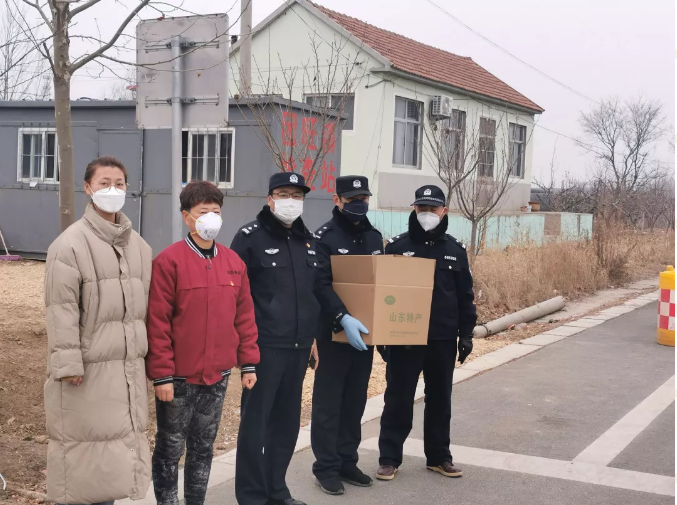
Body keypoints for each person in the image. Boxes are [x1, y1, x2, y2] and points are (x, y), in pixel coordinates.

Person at [44, 156, 152, 505]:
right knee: (86, 457)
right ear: (88, 188)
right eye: (104, 183)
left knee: (116, 456)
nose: (113, 190)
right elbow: (60, 309)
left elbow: (142, 312)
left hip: (127, 369)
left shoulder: (139, 247)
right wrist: (68, 364)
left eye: (119, 183)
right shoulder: (69, 245)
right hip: (87, 372)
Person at [146, 180, 260, 505]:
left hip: (217, 377)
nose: (210, 217)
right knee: (170, 446)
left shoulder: (234, 264)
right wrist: (162, 375)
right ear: (187, 217)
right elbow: (157, 322)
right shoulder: (169, 262)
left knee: (203, 446)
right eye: (202, 211)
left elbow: (245, 318)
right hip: (178, 379)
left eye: (216, 211)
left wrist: (248, 363)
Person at [231, 172, 321, 505]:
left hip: (298, 346)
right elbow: (235, 296)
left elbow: (312, 293)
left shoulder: (308, 240)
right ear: (270, 198)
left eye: (297, 195)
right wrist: (243, 348)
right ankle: (252, 496)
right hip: (263, 347)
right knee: (256, 425)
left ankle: (276, 490)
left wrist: (313, 338)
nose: (290, 201)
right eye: (284, 194)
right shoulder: (249, 238)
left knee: (286, 424)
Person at [376, 185, 476, 481]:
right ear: (414, 209)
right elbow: (382, 294)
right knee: (398, 398)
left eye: (433, 208)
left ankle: (439, 457)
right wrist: (382, 334)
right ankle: (389, 458)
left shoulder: (455, 250)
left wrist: (466, 334)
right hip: (404, 336)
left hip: (442, 338)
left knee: (440, 400)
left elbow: (465, 297)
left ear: (444, 211)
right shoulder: (396, 247)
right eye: (422, 208)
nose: (427, 213)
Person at [310, 176, 384, 495]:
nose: (358, 204)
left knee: (355, 401)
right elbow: (319, 284)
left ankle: (346, 462)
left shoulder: (374, 237)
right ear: (337, 200)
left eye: (363, 198)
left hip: (364, 336)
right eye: (352, 199)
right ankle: (325, 467)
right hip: (333, 334)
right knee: (328, 404)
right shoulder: (323, 238)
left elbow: (380, 284)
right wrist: (342, 317)